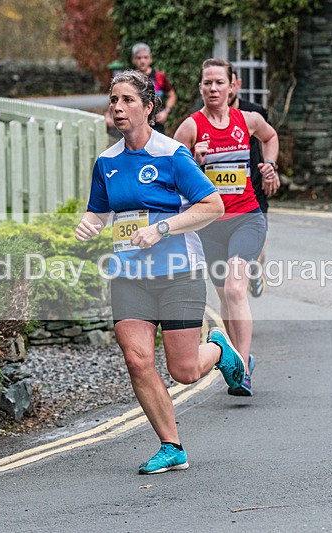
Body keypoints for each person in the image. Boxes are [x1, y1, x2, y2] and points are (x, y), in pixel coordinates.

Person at [76, 69, 245, 475]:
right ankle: (172, 446)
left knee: (184, 372)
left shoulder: (172, 155)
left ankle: (219, 349)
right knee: (137, 360)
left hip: (178, 273)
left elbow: (213, 206)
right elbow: (99, 210)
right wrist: (89, 224)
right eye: (113, 100)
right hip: (129, 275)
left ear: (149, 107)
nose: (118, 107)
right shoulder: (107, 162)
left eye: (128, 100)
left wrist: (162, 228)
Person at [174, 58, 280, 397]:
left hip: (247, 218)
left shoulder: (247, 120)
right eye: (207, 82)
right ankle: (237, 359)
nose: (213, 88)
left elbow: (270, 136)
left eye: (219, 82)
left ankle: (243, 368)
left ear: (232, 86)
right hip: (209, 225)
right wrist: (194, 161)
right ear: (200, 87)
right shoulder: (190, 127)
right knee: (224, 296)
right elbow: (172, 175)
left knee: (236, 290)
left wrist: (269, 165)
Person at [228, 71, 280, 297]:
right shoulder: (202, 117)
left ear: (236, 85)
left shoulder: (254, 112)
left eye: (226, 83)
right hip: (223, 194)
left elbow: (270, 139)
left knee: (258, 236)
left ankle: (254, 269)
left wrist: (271, 170)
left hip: (254, 183)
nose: (221, 89)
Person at [106, 43, 177, 135]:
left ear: (150, 59)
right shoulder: (128, 79)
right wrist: (108, 115)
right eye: (138, 58)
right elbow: (116, 97)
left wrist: (166, 111)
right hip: (133, 123)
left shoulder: (159, 77)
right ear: (133, 60)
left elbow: (172, 95)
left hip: (156, 123)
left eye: (145, 57)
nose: (142, 61)